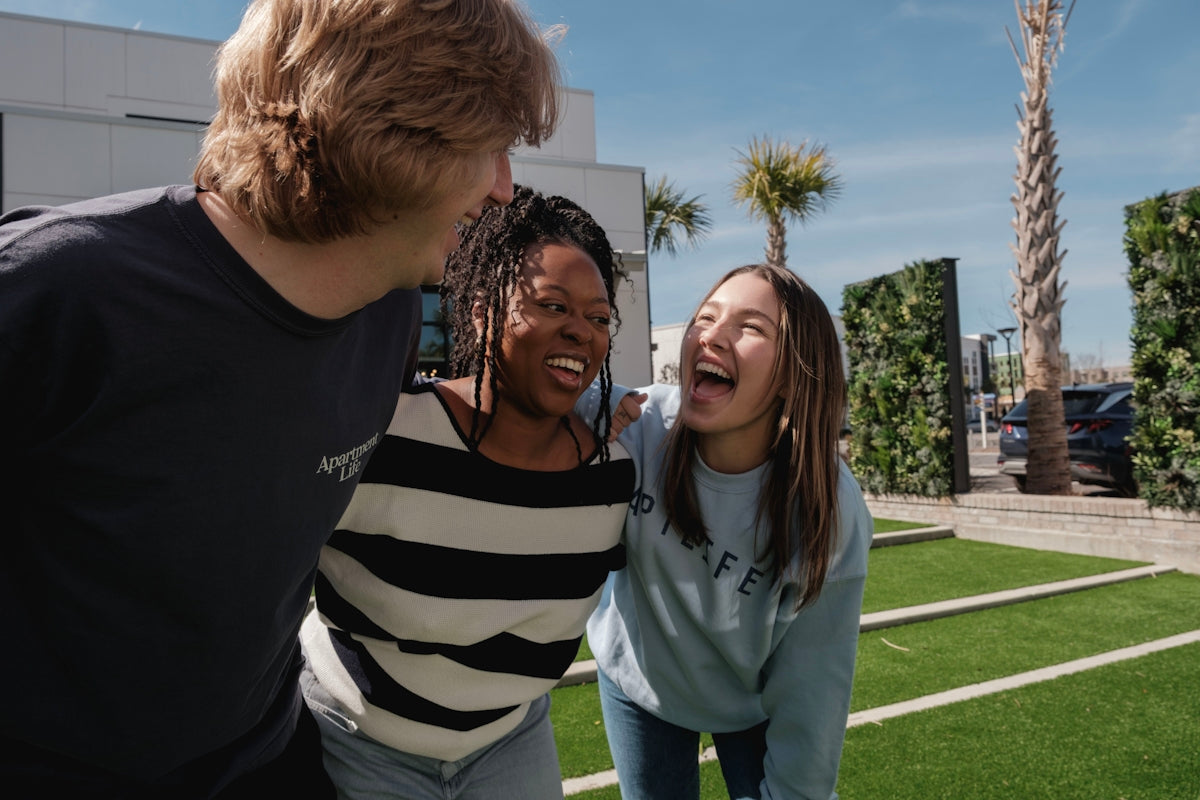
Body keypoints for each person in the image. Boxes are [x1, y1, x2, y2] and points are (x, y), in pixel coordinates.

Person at [0, 1, 560, 796]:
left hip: (269, 762)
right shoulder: (56, 290)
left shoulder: (392, 311)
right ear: (398, 130)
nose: (505, 188)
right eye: (492, 147)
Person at [299, 186, 636, 799]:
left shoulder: (610, 479)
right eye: (552, 304)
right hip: (358, 740)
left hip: (510, 741)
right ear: (481, 309)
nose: (580, 332)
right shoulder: (388, 433)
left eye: (597, 317)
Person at [585, 264, 873, 800]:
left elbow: (814, 689)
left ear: (793, 373)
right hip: (640, 681)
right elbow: (527, 398)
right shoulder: (639, 424)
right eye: (706, 317)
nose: (711, 334)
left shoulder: (826, 505)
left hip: (751, 701)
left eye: (751, 326)